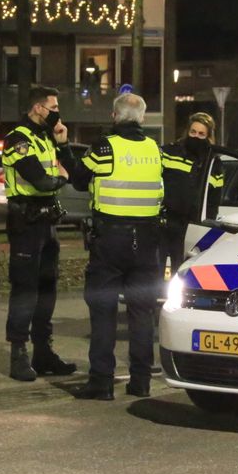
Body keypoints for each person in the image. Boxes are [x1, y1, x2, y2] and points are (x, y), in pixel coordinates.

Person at [68, 92, 164, 401]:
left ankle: (101, 382)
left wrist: (61, 147)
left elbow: (80, 179)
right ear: (142, 119)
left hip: (111, 240)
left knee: (103, 309)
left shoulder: (104, 147)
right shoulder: (154, 149)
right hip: (147, 242)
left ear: (114, 116)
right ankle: (140, 381)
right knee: (142, 312)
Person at [1, 86, 78, 381]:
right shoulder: (17, 139)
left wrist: (63, 143)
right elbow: (40, 181)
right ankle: (18, 354)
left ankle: (43, 352)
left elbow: (73, 169)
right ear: (37, 108)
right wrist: (61, 179)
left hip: (47, 222)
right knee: (25, 289)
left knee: (47, 289)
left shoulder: (46, 136)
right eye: (53, 106)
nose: (57, 111)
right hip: (26, 222)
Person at [159, 111, 223, 280]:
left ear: (209, 136)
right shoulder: (170, 152)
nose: (196, 136)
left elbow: (214, 199)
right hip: (165, 220)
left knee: (182, 271)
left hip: (191, 225)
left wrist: (206, 224)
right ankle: (152, 303)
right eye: (193, 132)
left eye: (201, 134)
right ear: (187, 131)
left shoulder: (213, 163)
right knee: (157, 268)